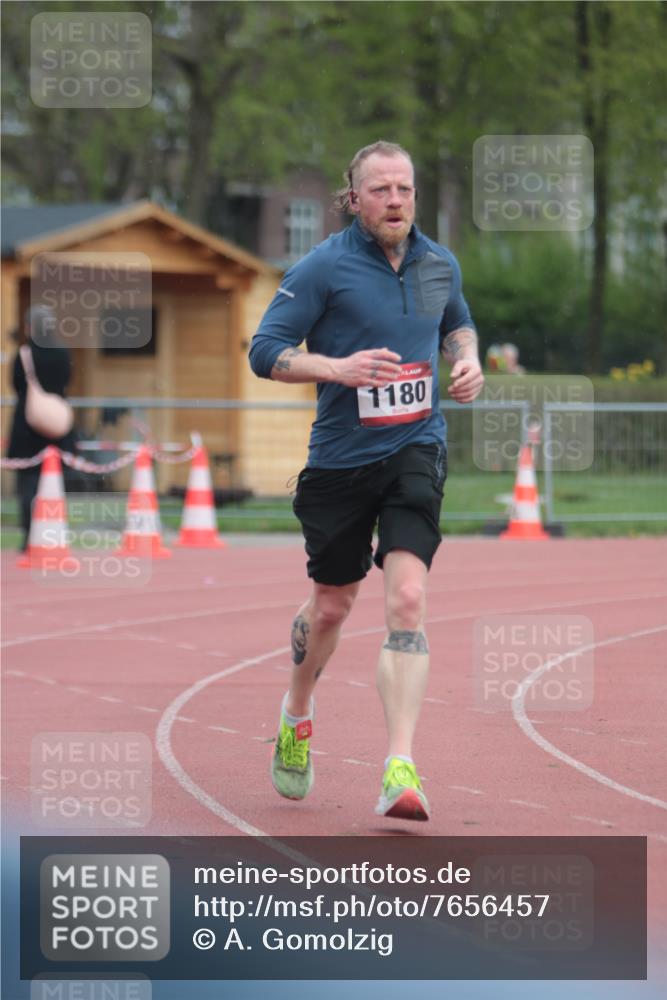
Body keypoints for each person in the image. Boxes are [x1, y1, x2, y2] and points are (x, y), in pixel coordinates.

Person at [249, 141, 484, 821]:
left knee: (407, 597)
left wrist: (467, 363)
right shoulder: (322, 267)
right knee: (331, 607)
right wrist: (336, 368)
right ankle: (296, 714)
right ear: (353, 198)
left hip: (415, 447)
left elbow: (457, 326)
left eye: (404, 189)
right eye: (379, 190)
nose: (394, 201)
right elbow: (265, 352)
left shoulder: (438, 263)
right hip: (340, 461)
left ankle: (399, 766)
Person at [6, 306, 76, 551]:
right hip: (57, 427)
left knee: (28, 484)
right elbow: (67, 380)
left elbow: (15, 384)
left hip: (27, 427)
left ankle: (29, 536)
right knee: (54, 483)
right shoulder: (61, 352)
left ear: (30, 327)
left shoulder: (25, 353)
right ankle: (52, 534)